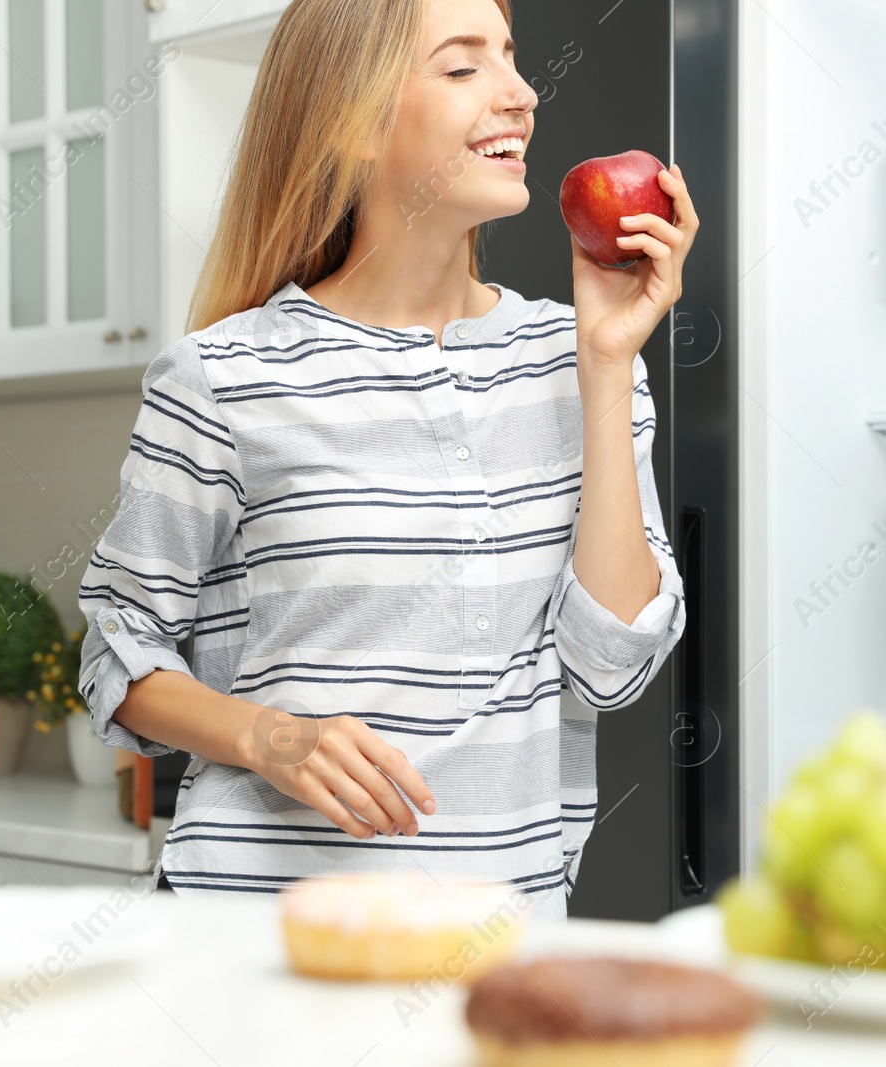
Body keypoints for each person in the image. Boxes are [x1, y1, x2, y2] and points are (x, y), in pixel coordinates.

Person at [77, 0, 697, 924]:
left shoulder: (575, 362)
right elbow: (118, 652)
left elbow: (612, 670)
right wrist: (270, 736)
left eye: (512, 62)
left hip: (498, 941)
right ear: (351, 122)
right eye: (463, 69)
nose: (522, 95)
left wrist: (606, 361)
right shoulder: (222, 375)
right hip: (255, 939)